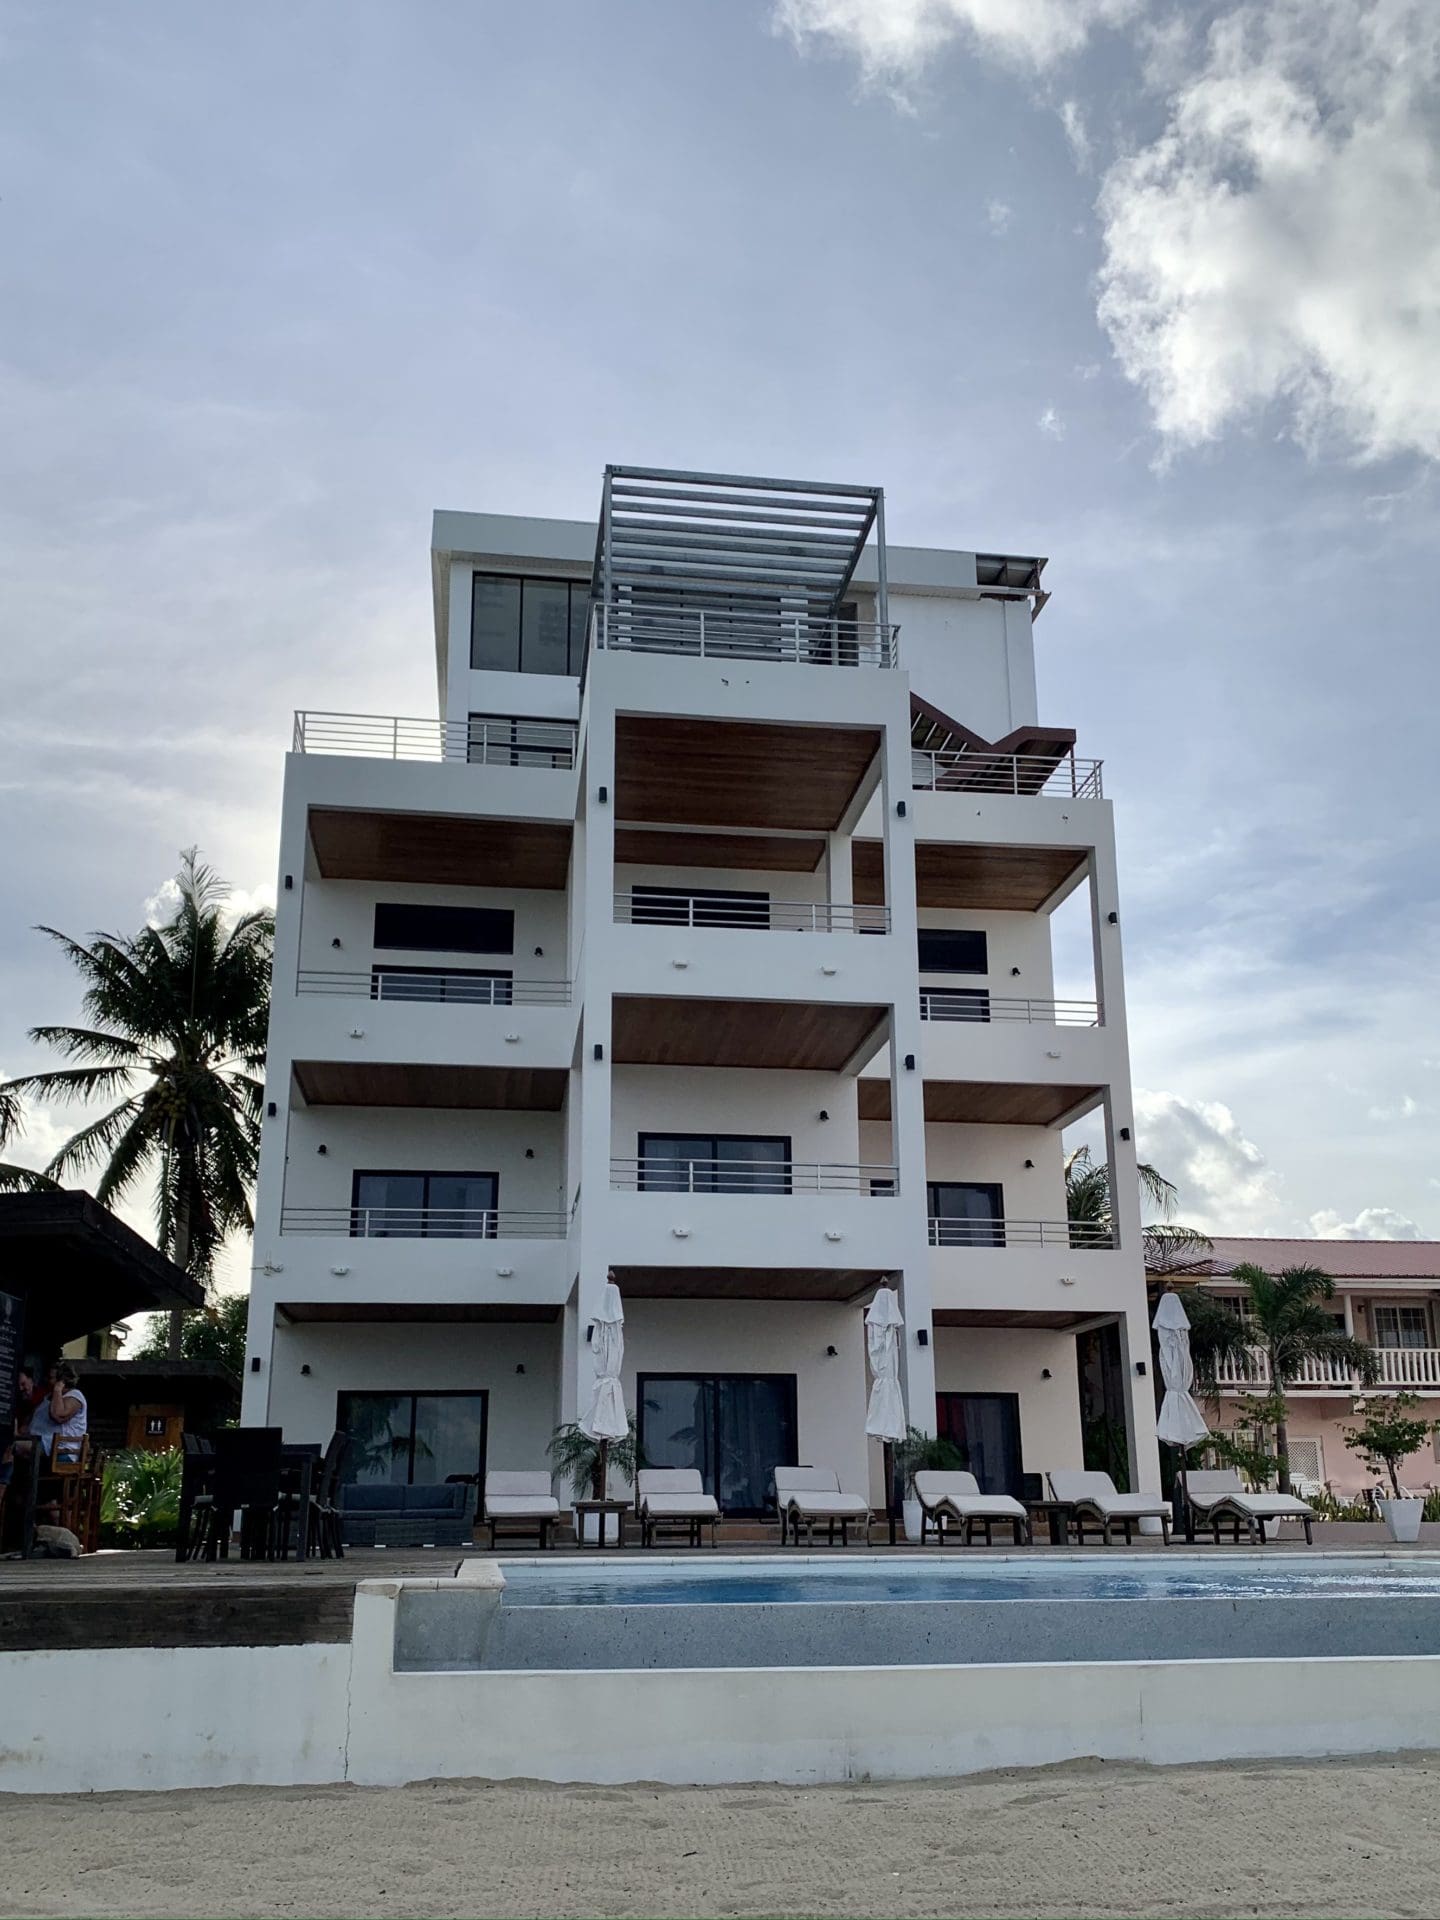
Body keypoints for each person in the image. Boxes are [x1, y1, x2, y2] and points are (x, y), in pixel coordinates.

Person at [28, 1361, 87, 1465]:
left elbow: (58, 1414)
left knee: (15, 1447)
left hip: (61, 1450)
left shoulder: (75, 1396)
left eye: (52, 1378)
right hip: (42, 1443)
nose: (48, 1381)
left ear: (62, 1380)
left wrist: (57, 1389)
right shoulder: (48, 1397)